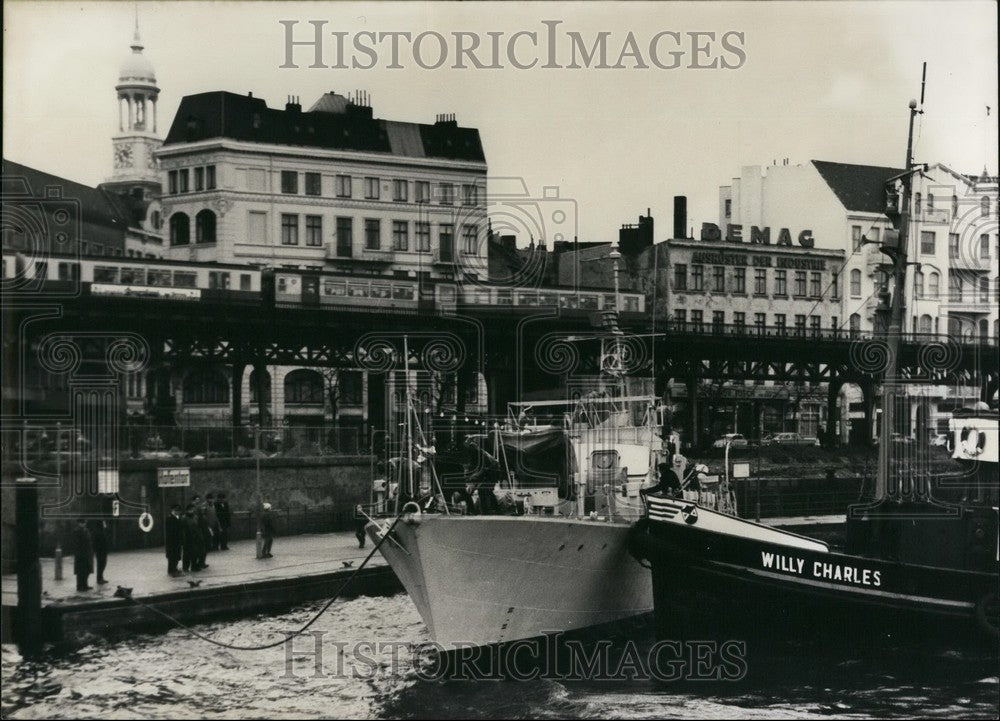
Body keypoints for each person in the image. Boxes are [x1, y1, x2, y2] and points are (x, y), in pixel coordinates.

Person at [72, 518, 93, 591]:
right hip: (80, 554)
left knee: (87, 570)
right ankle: (79, 586)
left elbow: (89, 541)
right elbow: (76, 543)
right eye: (82, 522)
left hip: (87, 553)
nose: (84, 524)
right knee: (80, 571)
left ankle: (85, 585)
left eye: (84, 522)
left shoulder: (86, 530)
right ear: (79, 523)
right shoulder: (77, 531)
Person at [181, 504, 203, 572]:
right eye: (190, 510)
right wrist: (183, 539)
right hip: (187, 537)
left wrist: (200, 536)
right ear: (187, 510)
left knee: (195, 552)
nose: (191, 511)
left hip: (195, 537)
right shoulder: (184, 518)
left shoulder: (195, 517)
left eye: (192, 509)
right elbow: (182, 529)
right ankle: (185, 567)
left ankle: (194, 566)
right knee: (186, 554)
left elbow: (198, 527)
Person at [88, 519, 109, 585]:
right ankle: (99, 579)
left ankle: (101, 578)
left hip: (103, 551)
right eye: (104, 523)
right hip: (100, 551)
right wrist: (97, 550)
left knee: (103, 564)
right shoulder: (98, 532)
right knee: (101, 565)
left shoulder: (102, 531)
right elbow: (95, 542)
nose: (105, 524)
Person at [165, 504, 183, 576]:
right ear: (173, 510)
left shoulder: (178, 517)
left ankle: (175, 568)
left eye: (178, 510)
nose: (177, 512)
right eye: (176, 510)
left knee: (177, 555)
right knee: (172, 556)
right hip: (172, 540)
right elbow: (169, 531)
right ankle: (171, 570)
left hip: (177, 539)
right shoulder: (169, 518)